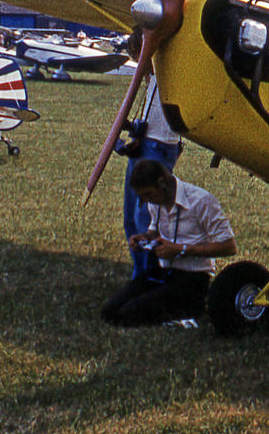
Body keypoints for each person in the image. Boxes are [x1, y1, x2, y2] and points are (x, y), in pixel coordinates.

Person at [102, 159, 237, 327]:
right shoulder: (156, 201)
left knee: (129, 315)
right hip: (163, 271)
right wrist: (145, 237)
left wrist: (182, 249)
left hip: (192, 277)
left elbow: (229, 246)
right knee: (109, 311)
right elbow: (155, 230)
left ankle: (191, 308)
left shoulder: (201, 200)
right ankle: (173, 308)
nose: (146, 201)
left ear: (162, 182)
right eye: (141, 196)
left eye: (148, 194)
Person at [120, 27, 183, 280]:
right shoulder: (151, 79)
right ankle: (140, 271)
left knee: (146, 216)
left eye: (139, 55)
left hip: (160, 147)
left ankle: (153, 273)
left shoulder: (172, 72)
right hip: (143, 143)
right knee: (131, 217)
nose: (138, 63)